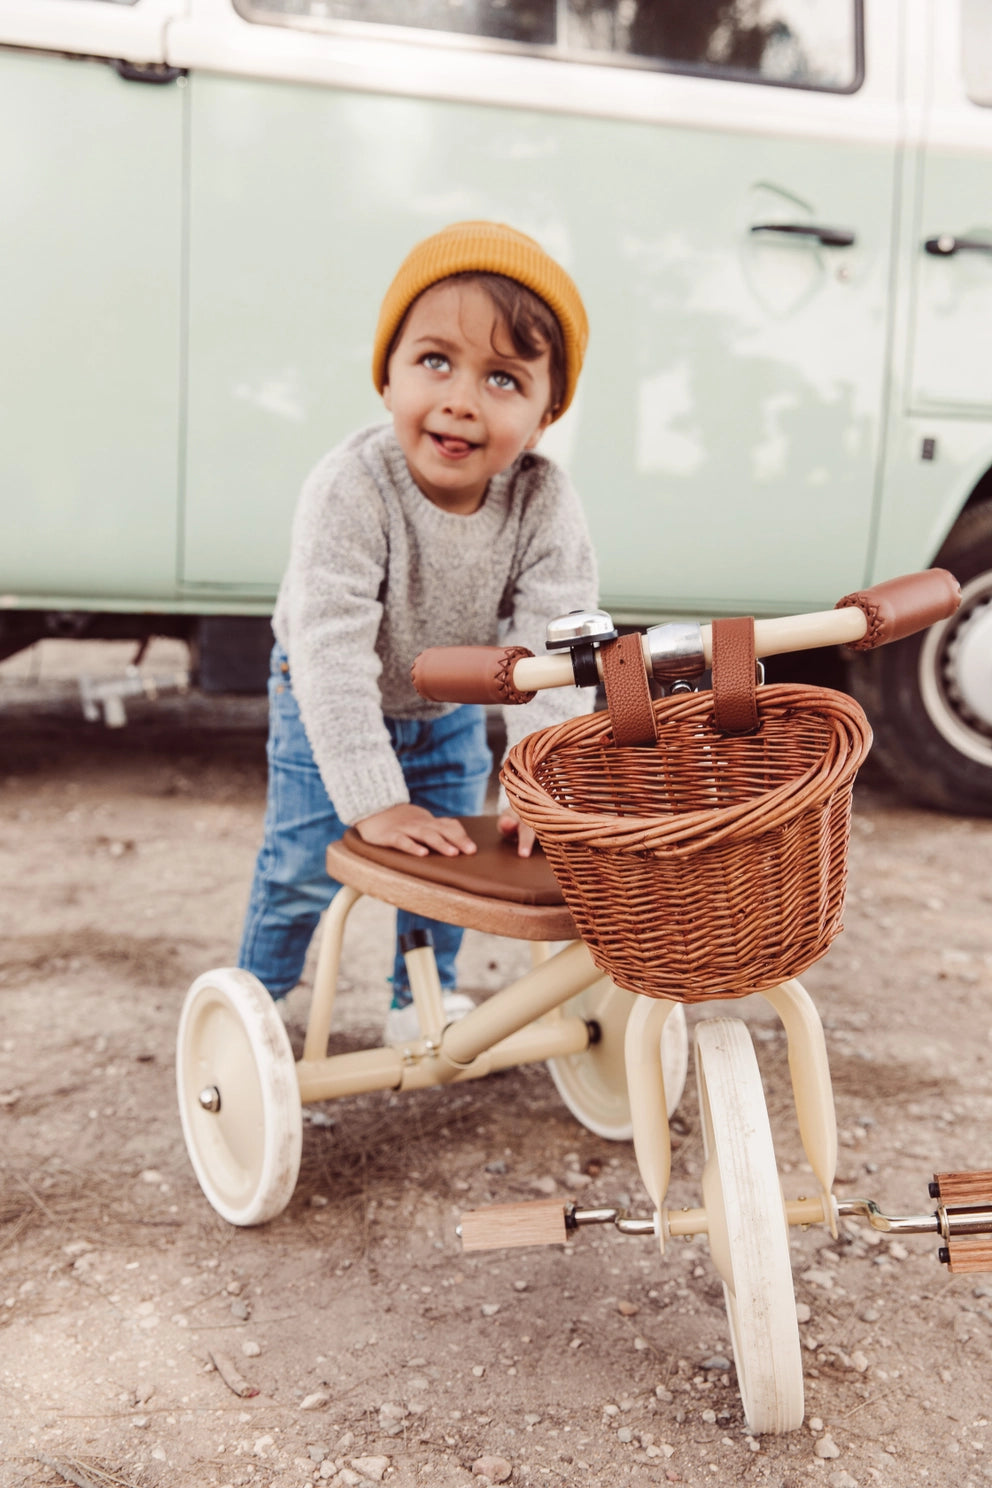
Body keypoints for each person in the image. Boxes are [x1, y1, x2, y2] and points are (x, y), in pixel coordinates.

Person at [238, 219, 598, 1043]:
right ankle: (257, 1002)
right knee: (302, 865)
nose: (461, 400)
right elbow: (330, 653)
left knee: (450, 865)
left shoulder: (544, 501)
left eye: (504, 379)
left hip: (446, 707)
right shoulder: (352, 487)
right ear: (388, 377)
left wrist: (536, 785)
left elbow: (559, 649)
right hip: (321, 693)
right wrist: (372, 801)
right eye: (434, 361)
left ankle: (419, 1000)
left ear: (546, 414)